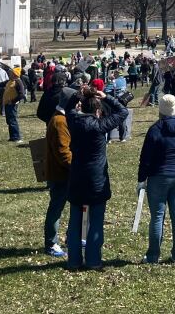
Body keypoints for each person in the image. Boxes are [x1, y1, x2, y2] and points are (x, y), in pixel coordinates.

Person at [65, 85, 129, 270]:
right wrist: (106, 96)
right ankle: (93, 260)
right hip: (96, 178)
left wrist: (78, 94)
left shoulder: (74, 121)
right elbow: (122, 112)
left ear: (82, 107)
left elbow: (68, 107)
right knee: (96, 220)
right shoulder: (100, 126)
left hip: (77, 175)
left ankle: (74, 260)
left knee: (75, 221)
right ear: (98, 111)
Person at [138, 93, 175, 265]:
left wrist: (141, 179)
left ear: (160, 110)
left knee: (157, 216)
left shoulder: (155, 130)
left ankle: (153, 255)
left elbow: (145, 158)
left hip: (159, 177)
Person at [40, 76, 73, 258]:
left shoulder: (61, 118)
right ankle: (51, 243)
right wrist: (75, 167)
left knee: (65, 205)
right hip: (60, 173)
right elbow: (63, 152)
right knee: (56, 207)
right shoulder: (60, 122)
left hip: (63, 172)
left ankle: (70, 236)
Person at [3, 67, 27, 143]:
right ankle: (12, 137)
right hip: (7, 104)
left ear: (15, 74)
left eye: (11, 73)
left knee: (12, 120)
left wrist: (13, 101)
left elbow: (22, 94)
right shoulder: (10, 81)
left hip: (12, 104)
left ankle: (17, 137)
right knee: (9, 121)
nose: (9, 74)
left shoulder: (18, 82)